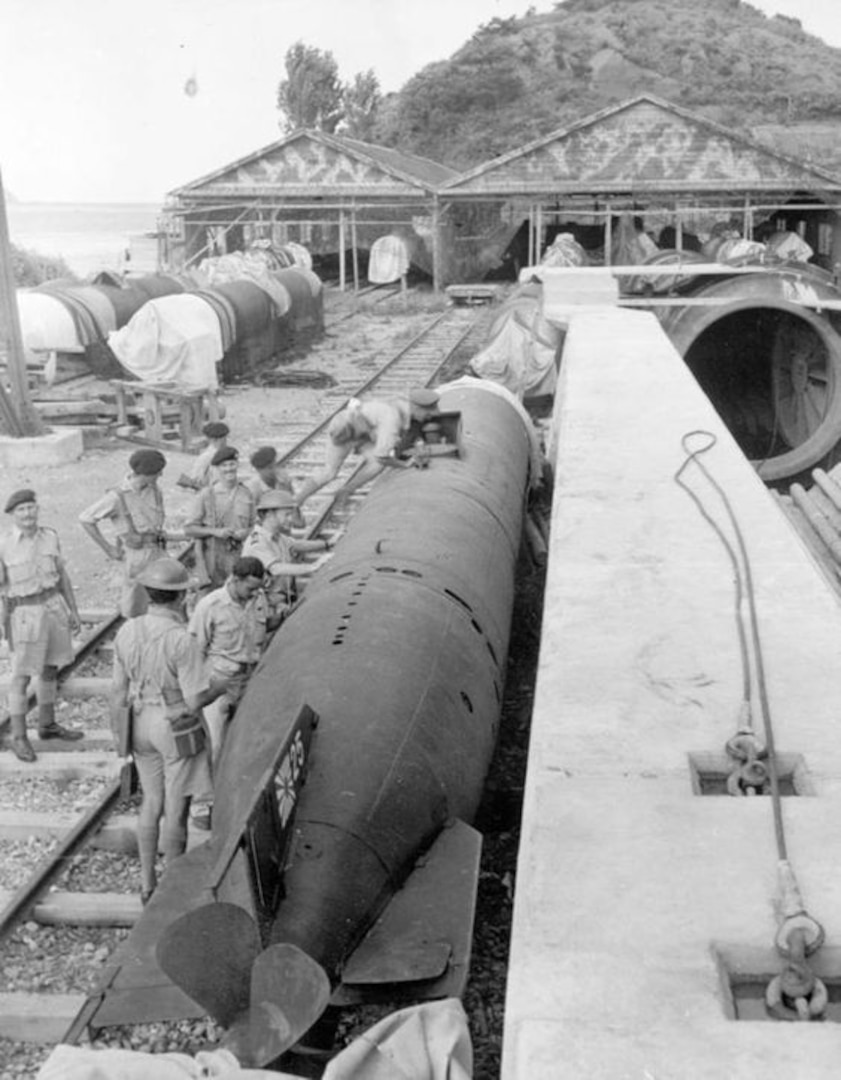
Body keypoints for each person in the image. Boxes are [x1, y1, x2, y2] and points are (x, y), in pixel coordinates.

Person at [110, 557, 229, 903]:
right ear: (181, 598)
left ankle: (147, 884)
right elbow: (195, 700)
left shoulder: (127, 630)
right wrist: (221, 686)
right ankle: (172, 891)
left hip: (139, 720)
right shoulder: (180, 639)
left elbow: (117, 691)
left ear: (148, 594)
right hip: (174, 724)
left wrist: (122, 735)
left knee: (152, 801)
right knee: (177, 808)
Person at [0, 489, 83, 762]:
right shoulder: (4, 545)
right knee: (22, 677)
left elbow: (63, 576)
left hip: (53, 606)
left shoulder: (50, 536)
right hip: (25, 612)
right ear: (12, 515)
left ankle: (47, 724)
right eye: (21, 510)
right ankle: (19, 736)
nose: (28, 514)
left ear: (38, 509)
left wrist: (73, 610)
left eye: (31, 507)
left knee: (50, 669)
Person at [188, 555, 268, 829]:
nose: (255, 594)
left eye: (258, 589)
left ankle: (235, 801)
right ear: (234, 580)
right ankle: (203, 804)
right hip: (219, 683)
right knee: (215, 744)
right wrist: (198, 691)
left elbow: (265, 629)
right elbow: (196, 650)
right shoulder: (209, 606)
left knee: (246, 739)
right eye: (250, 588)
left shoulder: (258, 599)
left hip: (251, 678)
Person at [294, 388, 440, 510]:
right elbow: (382, 456)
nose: (429, 417)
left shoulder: (403, 403)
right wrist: (404, 465)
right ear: (417, 408)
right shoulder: (392, 420)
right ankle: (295, 503)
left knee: (376, 465)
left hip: (365, 433)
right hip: (344, 430)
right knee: (329, 473)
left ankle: (345, 491)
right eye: (428, 414)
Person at [79, 449, 169, 618]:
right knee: (135, 605)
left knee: (164, 598)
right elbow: (86, 519)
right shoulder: (116, 497)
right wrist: (109, 549)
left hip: (158, 550)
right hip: (137, 556)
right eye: (157, 473)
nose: (160, 475)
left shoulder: (155, 490)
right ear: (145, 474)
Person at [242, 490, 335, 623]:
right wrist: (312, 567)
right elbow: (276, 569)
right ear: (269, 514)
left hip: (277, 601)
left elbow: (297, 544)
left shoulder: (277, 537)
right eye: (286, 515)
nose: (290, 519)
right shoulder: (257, 543)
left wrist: (327, 543)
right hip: (262, 607)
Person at [184, 446, 255, 591]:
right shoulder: (206, 495)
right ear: (216, 468)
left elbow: (254, 525)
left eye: (232, 464)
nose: (229, 469)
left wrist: (246, 533)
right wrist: (214, 531)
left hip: (239, 555)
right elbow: (189, 529)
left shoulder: (246, 493)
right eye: (224, 465)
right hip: (213, 557)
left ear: (237, 465)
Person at [246, 445, 304, 530]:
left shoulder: (283, 480)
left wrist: (298, 521)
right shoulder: (253, 489)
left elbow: (293, 504)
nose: (273, 470)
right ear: (259, 470)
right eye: (268, 468)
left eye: (273, 466)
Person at [177, 421, 230, 491]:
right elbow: (195, 479)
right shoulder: (206, 457)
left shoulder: (226, 453)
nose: (225, 441)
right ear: (214, 439)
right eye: (223, 439)